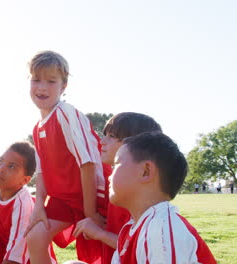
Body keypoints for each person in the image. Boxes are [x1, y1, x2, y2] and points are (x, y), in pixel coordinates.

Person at [74, 132, 216, 263]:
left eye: (116, 165)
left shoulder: (160, 229)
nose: (110, 176)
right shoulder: (132, 227)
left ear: (146, 171)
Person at [24, 51, 106, 264]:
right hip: (63, 199)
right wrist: (39, 207)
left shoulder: (65, 113)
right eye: (36, 79)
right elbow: (41, 173)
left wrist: (90, 213)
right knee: (35, 237)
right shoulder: (37, 128)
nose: (42, 87)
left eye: (51, 81)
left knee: (106, 252)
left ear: (63, 86)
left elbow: (87, 164)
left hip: (92, 197)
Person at [68, 112, 162, 264]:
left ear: (136, 144)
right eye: (104, 134)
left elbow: (141, 246)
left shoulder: (139, 191)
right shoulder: (116, 185)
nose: (102, 141)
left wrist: (99, 233)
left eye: (111, 136)